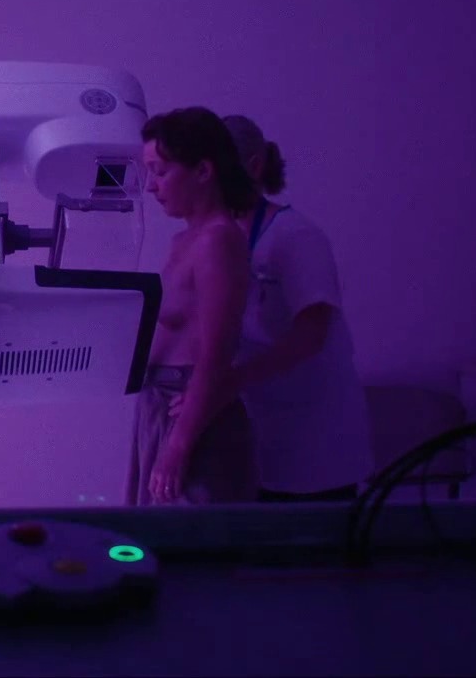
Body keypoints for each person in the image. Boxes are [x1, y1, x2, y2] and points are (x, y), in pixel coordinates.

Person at [219, 115, 373, 503]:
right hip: (264, 425)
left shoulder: (296, 236)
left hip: (316, 435)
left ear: (254, 166)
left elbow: (311, 333)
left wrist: (234, 380)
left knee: (309, 533)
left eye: (216, 169)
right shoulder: (225, 237)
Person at [127, 107, 259, 505]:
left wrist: (177, 447)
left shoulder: (218, 240)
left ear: (202, 171)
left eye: (160, 171)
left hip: (190, 415)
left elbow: (216, 354)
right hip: (160, 408)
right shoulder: (184, 241)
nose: (152, 187)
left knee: (187, 534)